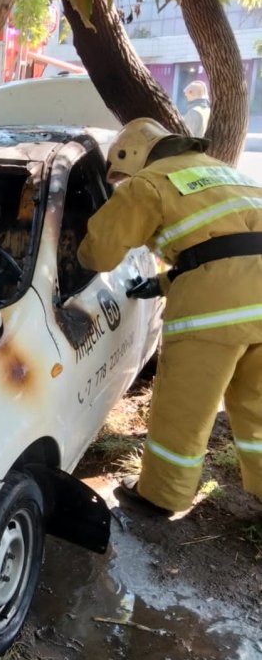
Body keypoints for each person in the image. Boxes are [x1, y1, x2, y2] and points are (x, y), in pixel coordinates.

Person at [77, 117, 262, 517]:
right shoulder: (228, 173)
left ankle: (161, 496)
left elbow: (99, 254)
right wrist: (163, 283)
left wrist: (84, 242)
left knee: (185, 408)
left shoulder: (149, 184)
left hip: (217, 309)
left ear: (134, 156)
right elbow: (229, 245)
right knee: (257, 404)